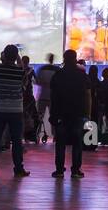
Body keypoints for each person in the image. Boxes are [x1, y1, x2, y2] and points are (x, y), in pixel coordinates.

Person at [0, 45, 29, 177]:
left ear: (4, 55)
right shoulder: (20, 72)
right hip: (16, 110)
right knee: (16, 141)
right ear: (15, 56)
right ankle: (18, 168)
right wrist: (18, 59)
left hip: (0, 109)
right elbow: (24, 77)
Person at [50, 49, 91, 178]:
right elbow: (87, 95)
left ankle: (60, 170)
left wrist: (53, 113)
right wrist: (87, 113)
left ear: (64, 58)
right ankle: (76, 170)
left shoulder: (58, 75)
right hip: (78, 113)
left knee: (60, 143)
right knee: (77, 142)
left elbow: (53, 96)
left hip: (61, 113)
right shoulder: (82, 75)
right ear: (75, 58)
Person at [34, 53, 57, 144]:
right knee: (54, 117)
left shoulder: (42, 69)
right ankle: (55, 136)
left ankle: (37, 135)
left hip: (42, 96)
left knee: (39, 117)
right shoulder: (57, 70)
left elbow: (38, 82)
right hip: (53, 98)